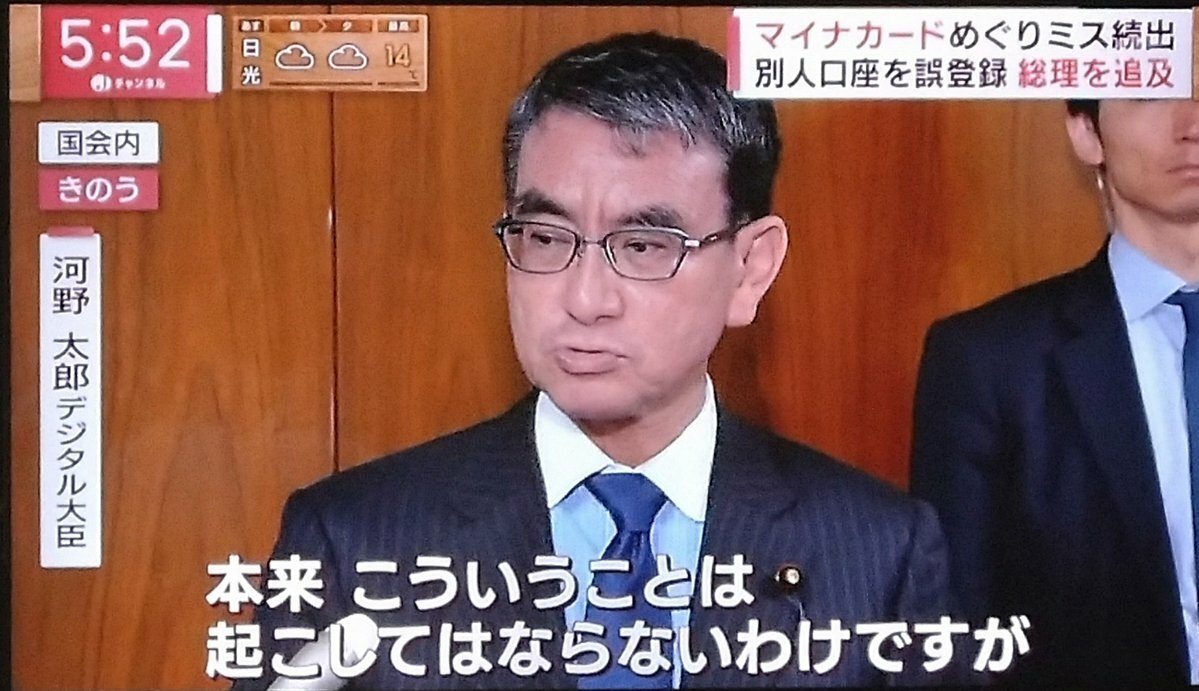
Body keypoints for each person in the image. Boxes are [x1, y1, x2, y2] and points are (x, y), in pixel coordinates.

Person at [239, 32, 962, 689]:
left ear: (750, 267)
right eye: (545, 237)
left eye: (643, 246)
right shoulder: (351, 544)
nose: (584, 299)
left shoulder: (881, 554)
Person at [910, 98, 1199, 686]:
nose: (1191, 123)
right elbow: (960, 635)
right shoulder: (987, 361)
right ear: (1087, 132)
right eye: (1153, 92)